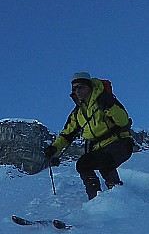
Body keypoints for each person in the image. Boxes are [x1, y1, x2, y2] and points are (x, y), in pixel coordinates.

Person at [44, 72, 134, 200]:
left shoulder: (105, 100)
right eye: (74, 88)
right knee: (83, 164)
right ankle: (95, 200)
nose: (77, 91)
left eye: (80, 87)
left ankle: (118, 195)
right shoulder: (77, 113)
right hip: (99, 148)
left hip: (120, 143)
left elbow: (123, 121)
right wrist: (54, 148)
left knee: (105, 161)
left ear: (89, 87)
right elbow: (67, 134)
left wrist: (110, 107)